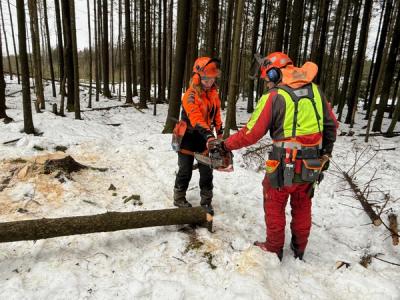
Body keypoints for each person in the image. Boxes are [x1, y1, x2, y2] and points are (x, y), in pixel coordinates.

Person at [222, 52, 338, 260]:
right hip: (312, 162)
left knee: (274, 201)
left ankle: (274, 246)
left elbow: (252, 133)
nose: (267, 83)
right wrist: (326, 153)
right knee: (303, 202)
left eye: (267, 79)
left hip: (283, 162)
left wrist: (226, 144)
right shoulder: (316, 91)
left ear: (275, 73)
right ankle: (299, 247)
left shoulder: (275, 96)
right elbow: (331, 125)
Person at [172, 57, 223, 215]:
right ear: (197, 77)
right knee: (185, 169)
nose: (209, 82)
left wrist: (219, 134)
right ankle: (179, 197)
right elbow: (196, 118)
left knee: (207, 170)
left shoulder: (213, 93)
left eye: (212, 78)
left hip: (203, 137)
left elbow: (217, 115)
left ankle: (206, 200)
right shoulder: (190, 95)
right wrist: (209, 134)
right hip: (187, 136)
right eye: (206, 78)